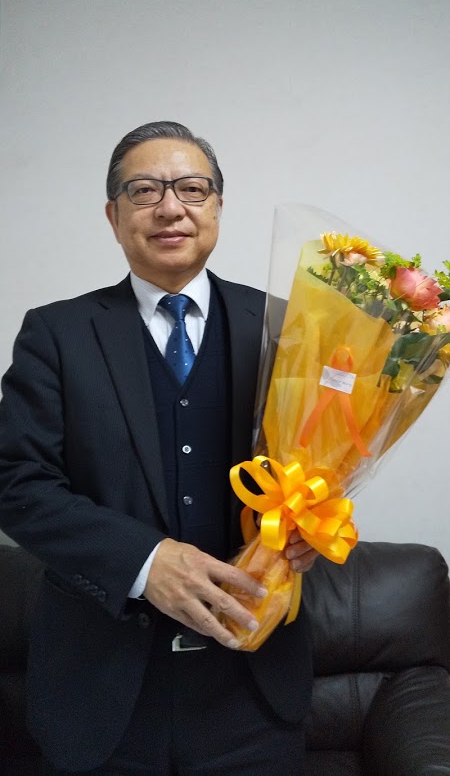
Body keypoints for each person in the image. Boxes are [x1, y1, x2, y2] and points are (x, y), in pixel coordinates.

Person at [0, 121, 317, 776]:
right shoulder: (56, 334)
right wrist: (143, 562)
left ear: (217, 206)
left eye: (192, 189)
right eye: (144, 190)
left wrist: (311, 524)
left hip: (255, 688)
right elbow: (16, 481)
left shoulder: (288, 325)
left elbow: (321, 463)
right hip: (100, 691)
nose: (171, 207)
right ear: (113, 216)